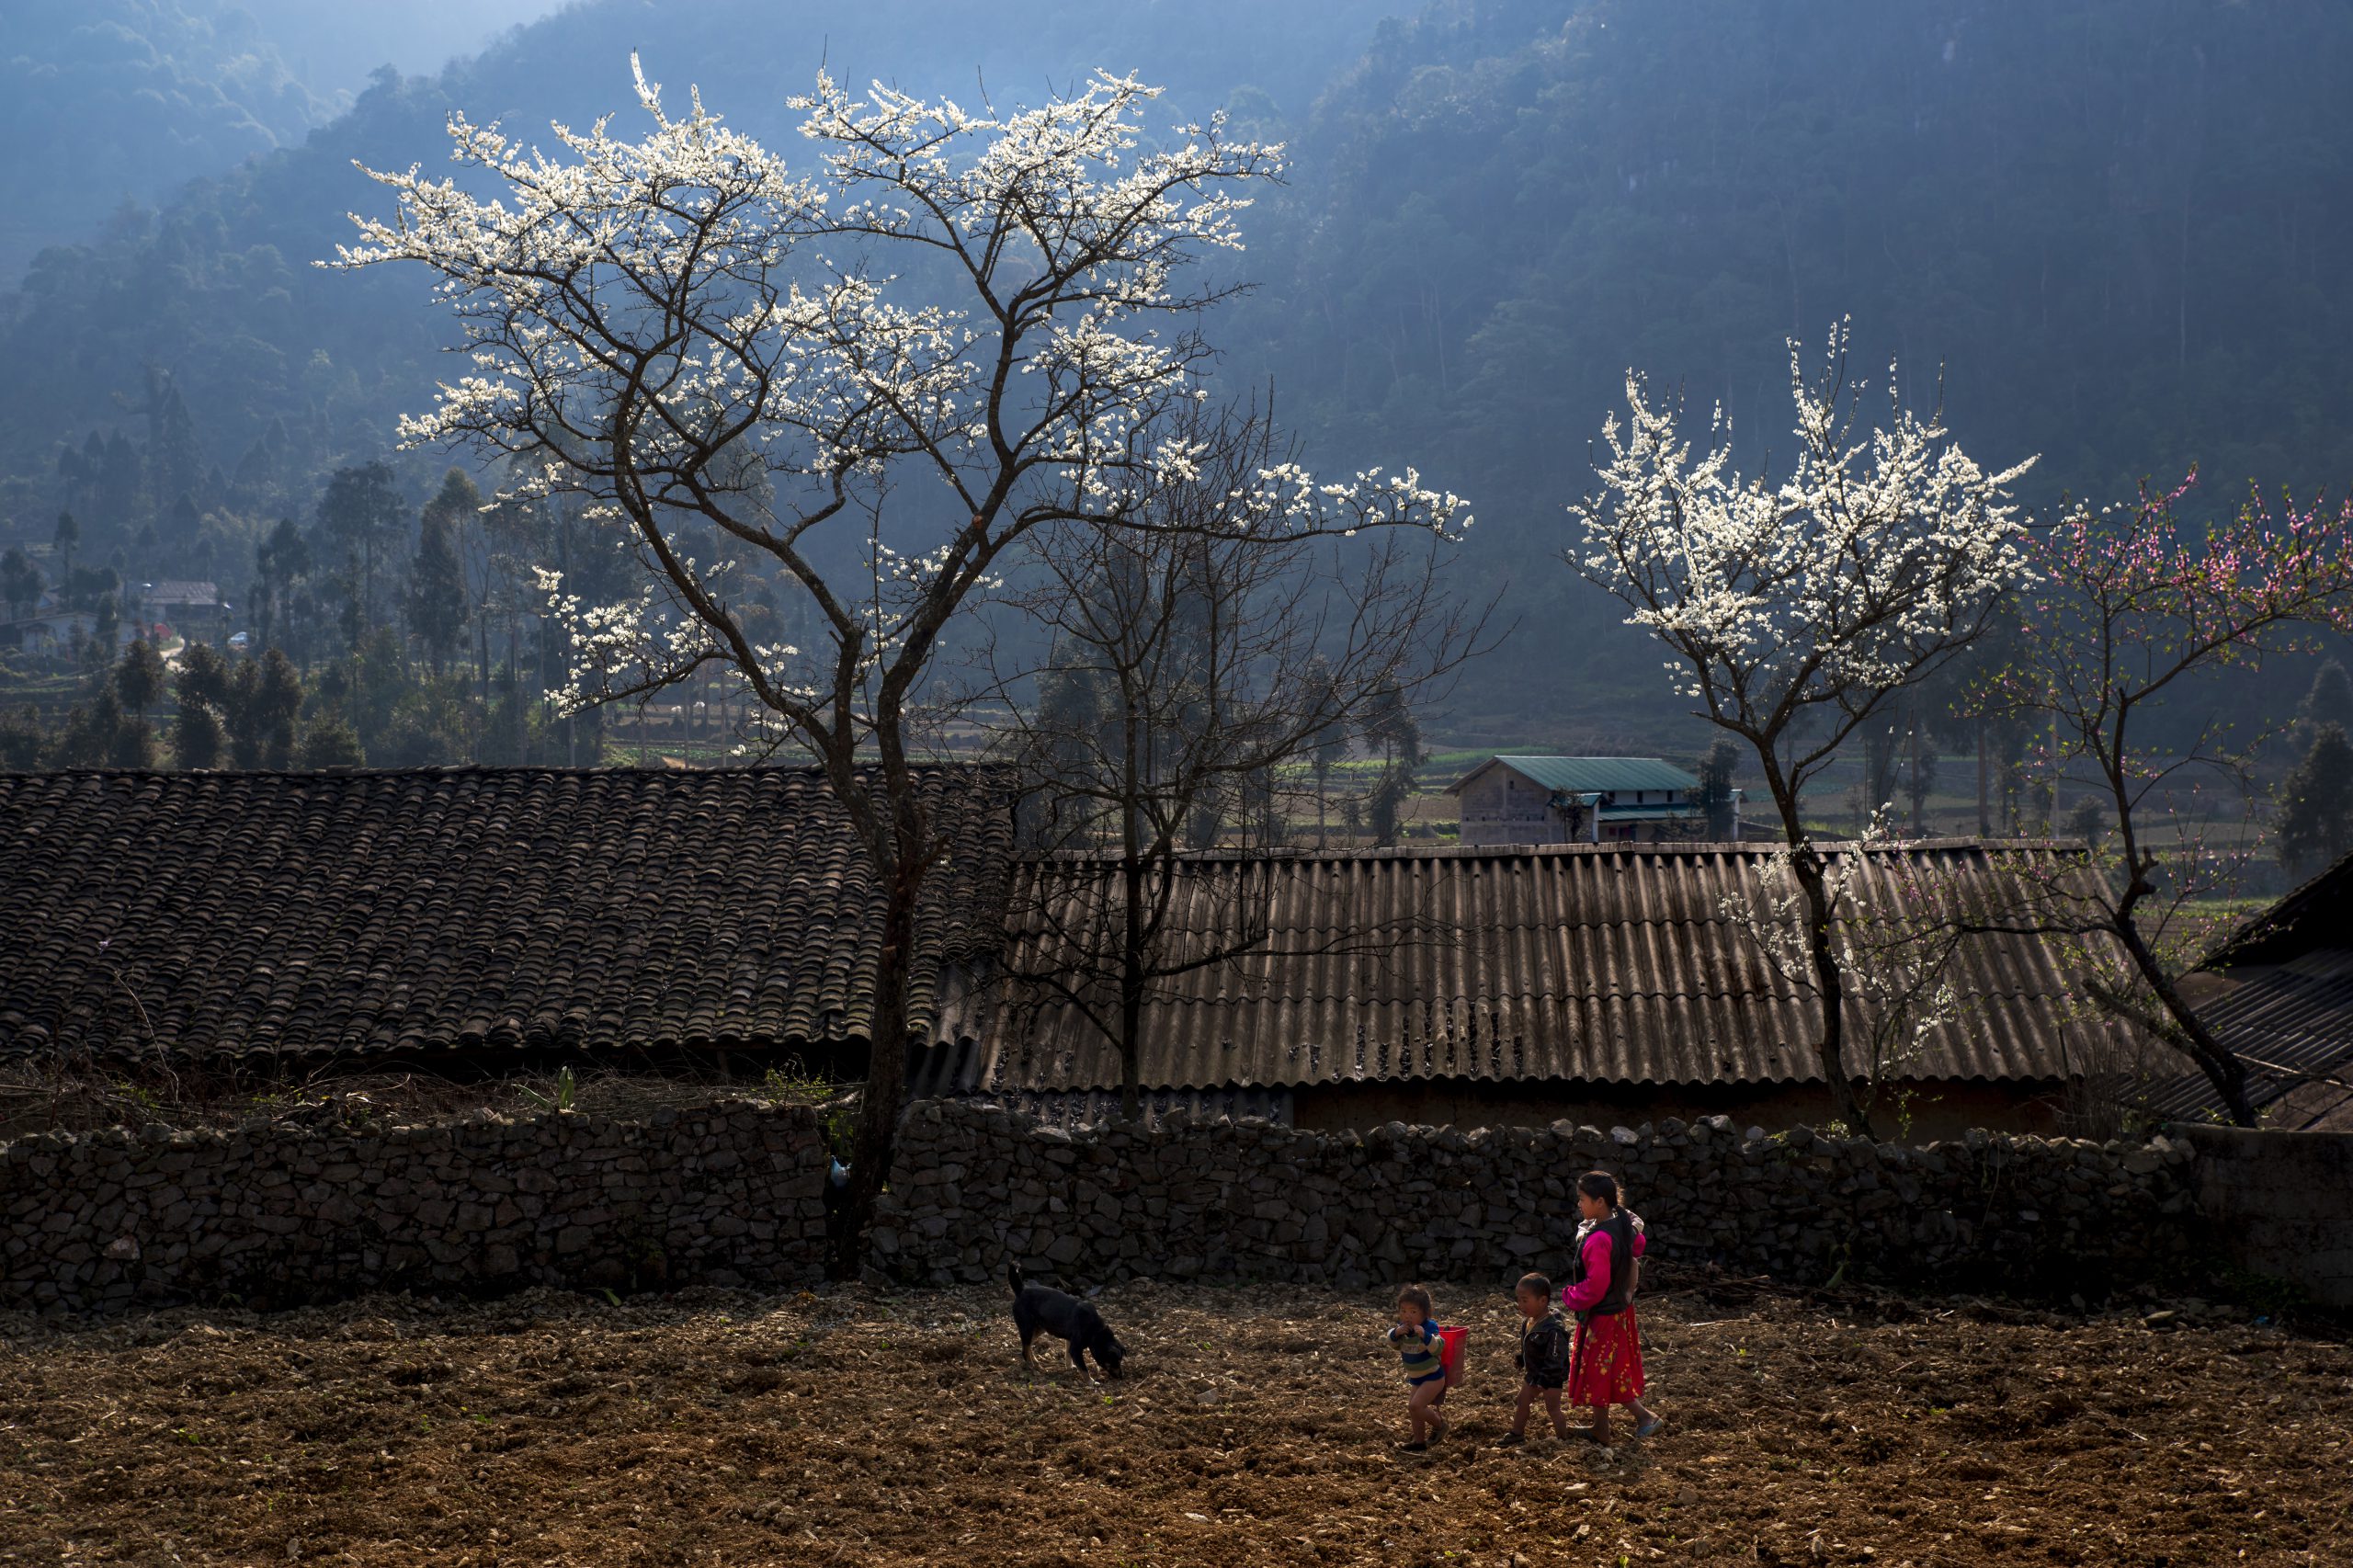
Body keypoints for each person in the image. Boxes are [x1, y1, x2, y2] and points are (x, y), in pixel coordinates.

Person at [1560, 1170, 1663, 1443]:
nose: (1579, 1205)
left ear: (1600, 1202)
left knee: (1598, 1368)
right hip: (1619, 1310)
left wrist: (1570, 1295)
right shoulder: (1622, 1226)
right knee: (1609, 1367)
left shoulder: (1597, 1239)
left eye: (1582, 1199)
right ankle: (1613, 1425)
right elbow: (1637, 1247)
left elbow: (1596, 1285)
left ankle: (1632, 1420)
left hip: (1603, 1314)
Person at [1499, 1271, 1574, 1446]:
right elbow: (1528, 1346)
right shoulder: (1529, 1322)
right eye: (1519, 1300)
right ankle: (1517, 1433)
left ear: (1542, 1301)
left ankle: (1562, 1440)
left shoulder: (1554, 1329)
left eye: (1525, 1300)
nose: (1520, 1305)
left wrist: (1546, 1377)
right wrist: (1522, 1358)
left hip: (1550, 1377)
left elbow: (1557, 1357)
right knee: (1522, 1401)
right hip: (1534, 1374)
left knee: (1553, 1409)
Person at [1386, 1283, 1449, 1450]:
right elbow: (1392, 1344)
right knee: (1414, 1410)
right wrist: (1396, 1333)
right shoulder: (1403, 1330)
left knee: (1416, 1406)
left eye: (1413, 1312)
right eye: (1403, 1311)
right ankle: (1419, 1442)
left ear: (1425, 1313)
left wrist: (1425, 1335)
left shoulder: (1429, 1327)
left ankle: (1440, 1425)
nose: (1407, 1316)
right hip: (1416, 1378)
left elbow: (1439, 1347)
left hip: (1433, 1376)